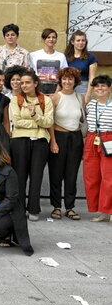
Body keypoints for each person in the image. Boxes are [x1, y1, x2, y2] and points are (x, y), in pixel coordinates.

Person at [9, 70, 53, 221]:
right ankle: (19, 208)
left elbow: (49, 122)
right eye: (22, 83)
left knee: (36, 175)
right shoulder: (16, 100)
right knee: (20, 176)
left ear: (35, 83)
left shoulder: (45, 100)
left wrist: (35, 115)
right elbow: (17, 122)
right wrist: (37, 123)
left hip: (40, 141)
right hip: (20, 141)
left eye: (28, 82)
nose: (24, 85)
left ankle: (34, 209)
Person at [49, 67, 85, 221]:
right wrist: (53, 142)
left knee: (72, 174)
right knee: (56, 174)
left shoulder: (80, 97)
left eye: (70, 79)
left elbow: (82, 120)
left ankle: (70, 207)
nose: (67, 82)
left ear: (75, 81)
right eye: (64, 79)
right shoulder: (55, 97)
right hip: (59, 136)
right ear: (60, 80)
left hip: (76, 138)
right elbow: (49, 122)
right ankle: (56, 207)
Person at [83, 75, 112, 222]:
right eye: (97, 86)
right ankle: (102, 212)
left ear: (109, 88)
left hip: (109, 139)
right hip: (92, 139)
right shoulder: (90, 105)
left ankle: (110, 210)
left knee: (109, 177)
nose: (100, 88)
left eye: (103, 85)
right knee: (92, 177)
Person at [29, 28, 67, 95]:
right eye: (48, 37)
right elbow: (30, 75)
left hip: (56, 91)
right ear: (43, 39)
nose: (51, 39)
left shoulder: (61, 56)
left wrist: (56, 93)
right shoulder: (34, 55)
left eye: (53, 37)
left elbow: (64, 75)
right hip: (38, 91)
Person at [65, 30, 98, 100]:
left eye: (83, 40)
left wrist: (88, 95)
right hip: (68, 87)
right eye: (78, 40)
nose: (81, 43)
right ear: (72, 42)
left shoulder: (91, 58)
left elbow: (92, 77)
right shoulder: (66, 57)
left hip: (83, 88)